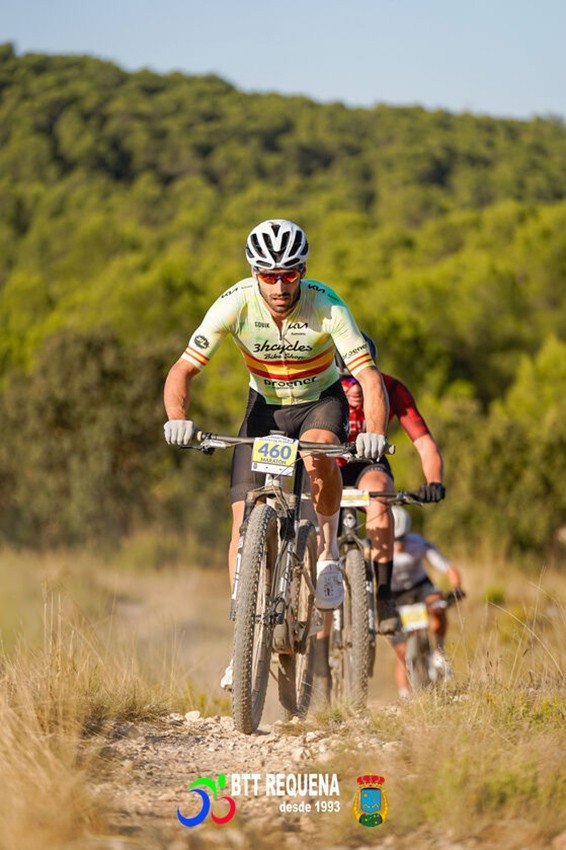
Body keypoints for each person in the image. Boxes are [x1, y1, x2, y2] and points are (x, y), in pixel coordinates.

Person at [163, 219, 391, 690]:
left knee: (319, 454)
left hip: (319, 402)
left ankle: (327, 551)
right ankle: (242, 641)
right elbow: (183, 369)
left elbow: (369, 378)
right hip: (264, 408)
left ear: (302, 271)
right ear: (255, 274)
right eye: (269, 275)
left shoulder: (327, 305)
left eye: (289, 274)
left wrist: (373, 432)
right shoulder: (234, 303)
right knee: (242, 521)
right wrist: (177, 418)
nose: (280, 285)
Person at [311, 352, 446, 698]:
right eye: (347, 381)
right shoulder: (319, 386)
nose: (356, 389)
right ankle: (319, 655)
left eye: (362, 379)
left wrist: (434, 481)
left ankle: (383, 593)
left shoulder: (391, 388)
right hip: (329, 467)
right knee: (321, 554)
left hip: (368, 467)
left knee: (380, 493)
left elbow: (423, 441)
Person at [390, 506, 464, 698]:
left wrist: (456, 587)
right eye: (393, 539)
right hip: (394, 594)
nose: (398, 544)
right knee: (402, 650)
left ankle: (439, 651)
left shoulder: (418, 543)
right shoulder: (376, 548)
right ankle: (404, 695)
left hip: (420, 587)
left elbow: (447, 567)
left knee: (437, 603)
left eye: (401, 538)